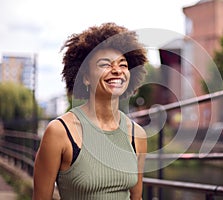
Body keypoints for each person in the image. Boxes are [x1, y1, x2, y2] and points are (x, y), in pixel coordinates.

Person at [33, 22, 148, 200]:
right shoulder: (59, 132)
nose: (117, 70)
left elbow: (137, 198)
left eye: (123, 64)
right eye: (105, 64)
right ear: (85, 77)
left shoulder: (137, 135)